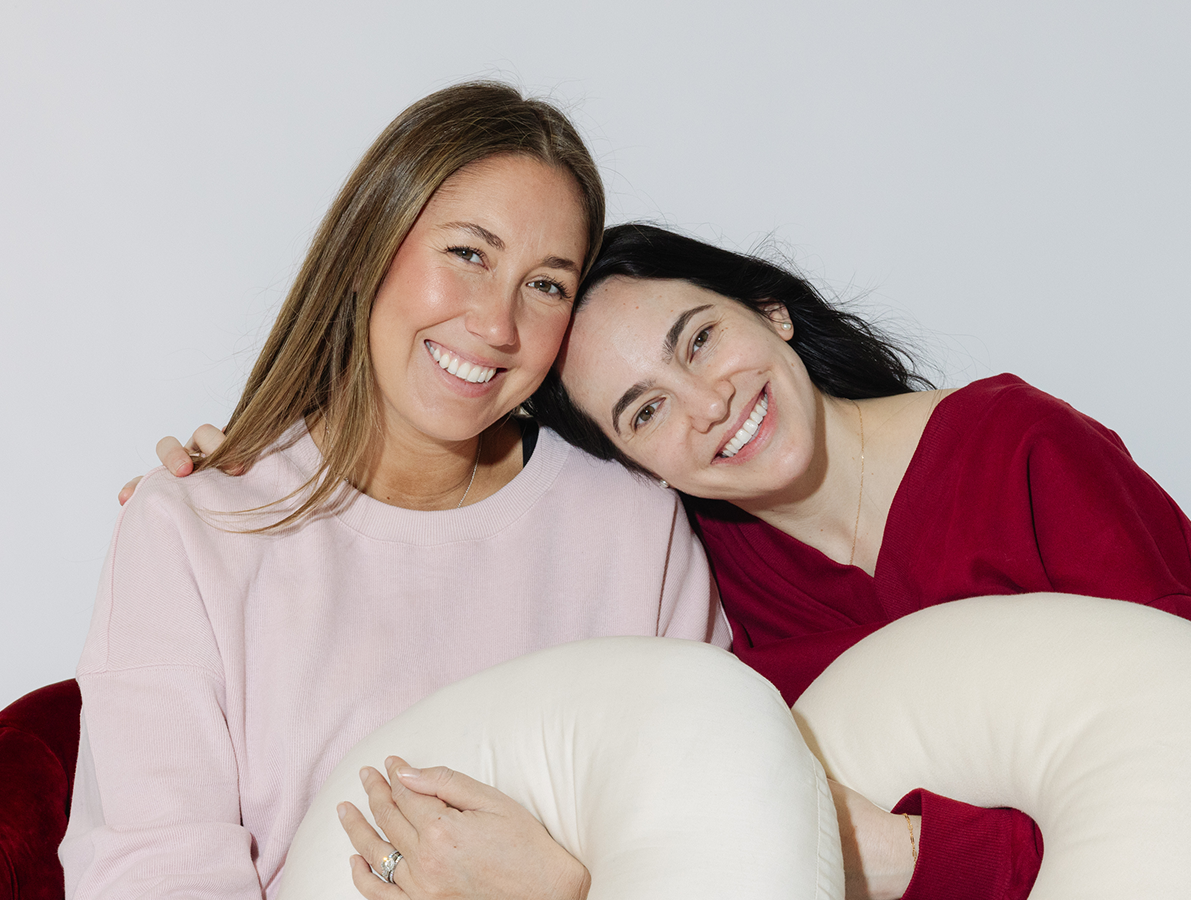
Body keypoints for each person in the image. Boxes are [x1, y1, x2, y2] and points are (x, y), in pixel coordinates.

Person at [154, 222, 1191, 900]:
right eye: (645, 411)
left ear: (772, 311)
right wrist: (263, 467)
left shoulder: (1014, 448)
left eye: (702, 340)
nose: (708, 407)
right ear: (637, 465)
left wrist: (900, 856)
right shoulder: (701, 582)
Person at [65, 84, 844, 899]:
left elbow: (718, 824)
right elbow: (157, 874)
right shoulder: (193, 529)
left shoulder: (630, 521)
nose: (497, 326)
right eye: (469, 254)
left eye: (546, 285)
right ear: (372, 244)